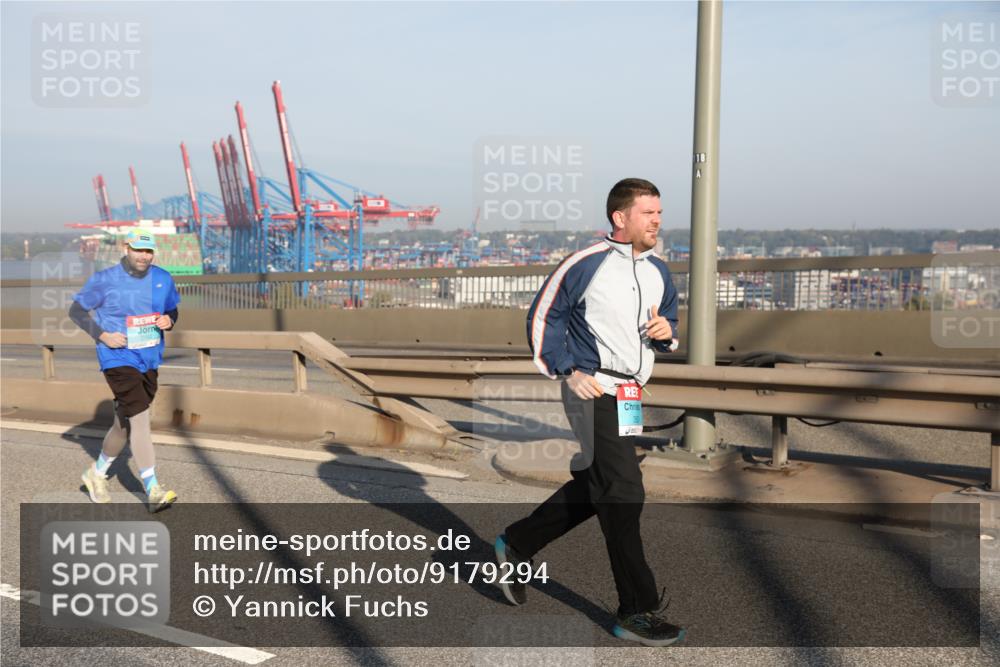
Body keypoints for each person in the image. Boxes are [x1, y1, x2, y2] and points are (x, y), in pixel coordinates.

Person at [495, 178, 684, 646]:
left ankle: (517, 544)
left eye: (659, 213)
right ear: (621, 218)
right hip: (592, 386)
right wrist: (565, 370)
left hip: (630, 394)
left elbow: (669, 322)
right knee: (623, 489)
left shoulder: (658, 269)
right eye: (648, 213)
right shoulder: (585, 263)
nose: (657, 220)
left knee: (599, 484)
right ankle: (634, 610)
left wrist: (665, 333)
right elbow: (544, 315)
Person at [69, 229, 180, 513]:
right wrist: (103, 336)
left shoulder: (163, 278)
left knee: (124, 423)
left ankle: (96, 474)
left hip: (150, 358)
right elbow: (77, 312)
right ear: (125, 248)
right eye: (138, 250)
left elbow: (172, 311)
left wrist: (169, 320)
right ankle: (153, 488)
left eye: (148, 251)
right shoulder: (105, 279)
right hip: (117, 358)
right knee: (141, 419)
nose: (143, 256)